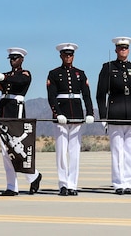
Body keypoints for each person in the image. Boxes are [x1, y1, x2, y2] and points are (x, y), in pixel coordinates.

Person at [0, 47, 42, 196]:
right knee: (5, 151)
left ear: (22, 59)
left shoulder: (24, 74)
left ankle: (34, 176)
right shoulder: (5, 75)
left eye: (16, 58)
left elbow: (20, 81)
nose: (13, 60)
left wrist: (3, 78)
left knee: (16, 149)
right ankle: (11, 186)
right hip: (3, 111)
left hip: (16, 111)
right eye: (11, 58)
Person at [96, 36, 131, 195]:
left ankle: (129, 183)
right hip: (115, 112)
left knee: (130, 152)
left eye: (126, 48)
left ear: (128, 50)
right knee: (117, 152)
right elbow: (100, 94)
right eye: (120, 48)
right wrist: (104, 117)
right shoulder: (108, 67)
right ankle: (118, 183)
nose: (123, 50)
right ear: (116, 50)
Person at [46, 43, 94, 196]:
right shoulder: (54, 74)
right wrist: (57, 113)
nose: (68, 57)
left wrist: (90, 113)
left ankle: (73, 184)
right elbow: (51, 96)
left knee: (74, 153)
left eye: (70, 55)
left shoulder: (80, 73)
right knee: (61, 152)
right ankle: (63, 184)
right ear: (61, 56)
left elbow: (86, 95)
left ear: (73, 56)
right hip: (61, 116)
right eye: (65, 55)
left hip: (77, 114)